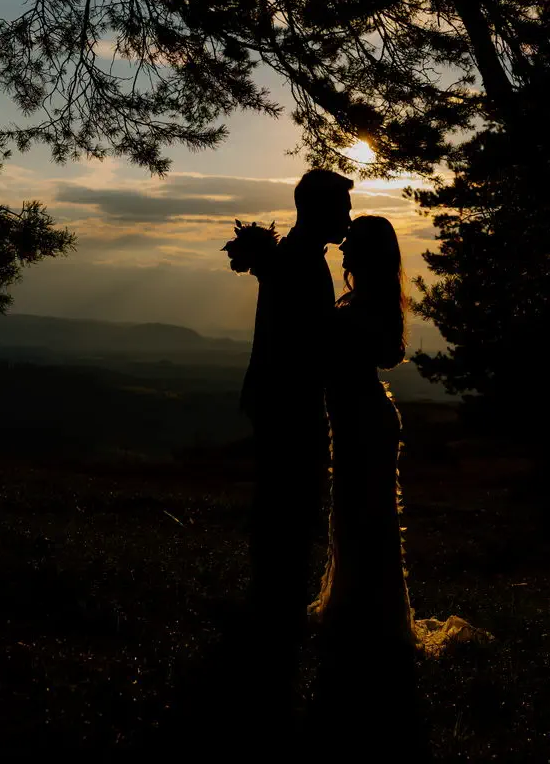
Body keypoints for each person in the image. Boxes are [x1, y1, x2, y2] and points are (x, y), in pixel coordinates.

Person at [227, 169, 354, 725]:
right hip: (288, 400)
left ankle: (272, 605)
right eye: (343, 208)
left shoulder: (300, 254)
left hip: (278, 397)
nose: (348, 218)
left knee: (283, 501)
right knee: (290, 502)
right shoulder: (303, 260)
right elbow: (309, 340)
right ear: (319, 209)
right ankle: (275, 613)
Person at [305, 214, 422, 741]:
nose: (343, 250)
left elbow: (383, 353)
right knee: (352, 516)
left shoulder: (365, 305)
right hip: (352, 418)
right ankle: (359, 616)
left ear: (367, 254)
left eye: (351, 245)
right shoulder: (362, 302)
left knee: (365, 518)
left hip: (365, 420)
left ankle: (369, 623)